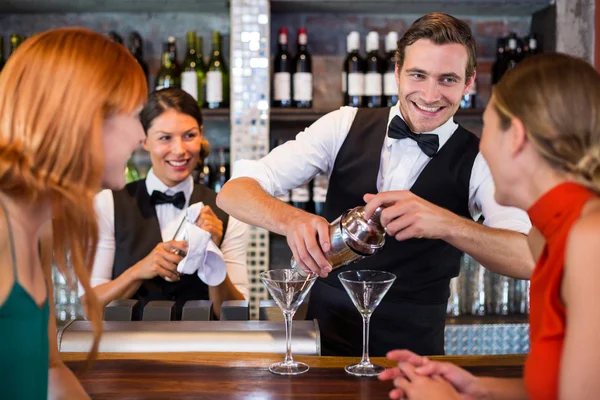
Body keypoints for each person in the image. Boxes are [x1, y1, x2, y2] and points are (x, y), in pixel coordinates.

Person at [217, 12, 533, 357]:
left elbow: (527, 258)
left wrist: (447, 224)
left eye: (447, 80)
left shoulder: (481, 156)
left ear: (469, 83)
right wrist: (289, 219)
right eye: (418, 75)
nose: (430, 95)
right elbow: (233, 192)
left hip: (416, 355)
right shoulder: (342, 125)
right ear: (397, 71)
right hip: (324, 345)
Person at [379, 53, 600, 400]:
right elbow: (559, 389)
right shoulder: (549, 234)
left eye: (487, 125)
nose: (480, 144)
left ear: (516, 137)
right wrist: (479, 389)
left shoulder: (590, 240)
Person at [0, 27, 147, 399]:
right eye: (134, 114)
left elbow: (49, 369)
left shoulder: (39, 228)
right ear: (84, 118)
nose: (141, 135)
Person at [81, 88, 248, 320]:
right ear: (145, 140)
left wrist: (214, 257)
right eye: (165, 138)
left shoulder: (229, 210)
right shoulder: (108, 203)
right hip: (127, 352)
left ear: (201, 134)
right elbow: (90, 307)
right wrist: (139, 270)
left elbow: (236, 315)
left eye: (189, 136)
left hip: (203, 351)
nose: (179, 150)